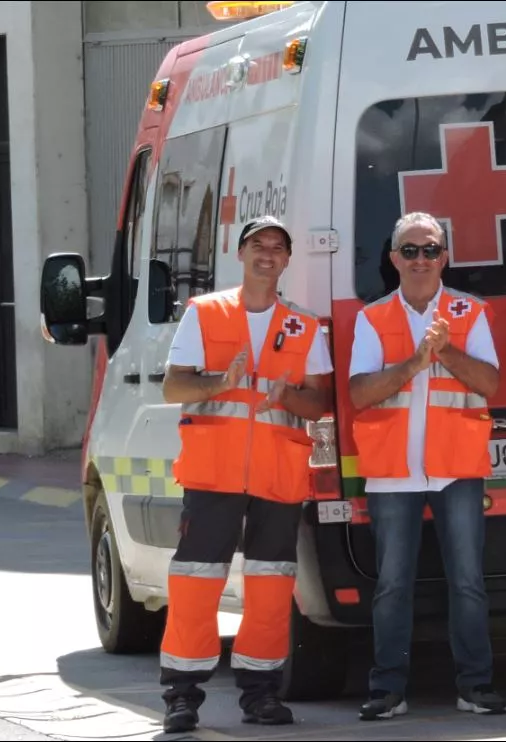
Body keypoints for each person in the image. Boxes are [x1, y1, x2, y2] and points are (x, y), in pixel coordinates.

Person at [158, 215, 334, 733]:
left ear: (286, 260)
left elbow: (320, 401)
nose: (268, 254)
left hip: (277, 476)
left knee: (270, 588)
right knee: (195, 584)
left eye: (278, 247)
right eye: (259, 245)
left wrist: (289, 396)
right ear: (242, 253)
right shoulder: (206, 313)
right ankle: (182, 697)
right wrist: (220, 382)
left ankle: (261, 694)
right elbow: (174, 389)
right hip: (213, 476)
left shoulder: (303, 325)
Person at [348, 212, 506, 721]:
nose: (421, 259)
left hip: (456, 467)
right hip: (393, 471)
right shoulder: (372, 318)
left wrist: (447, 351)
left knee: (468, 581)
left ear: (445, 257)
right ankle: (388, 689)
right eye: (410, 250)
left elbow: (489, 383)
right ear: (394, 259)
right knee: (392, 584)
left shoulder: (470, 311)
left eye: (431, 249)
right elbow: (358, 393)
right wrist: (415, 364)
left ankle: (476, 686)